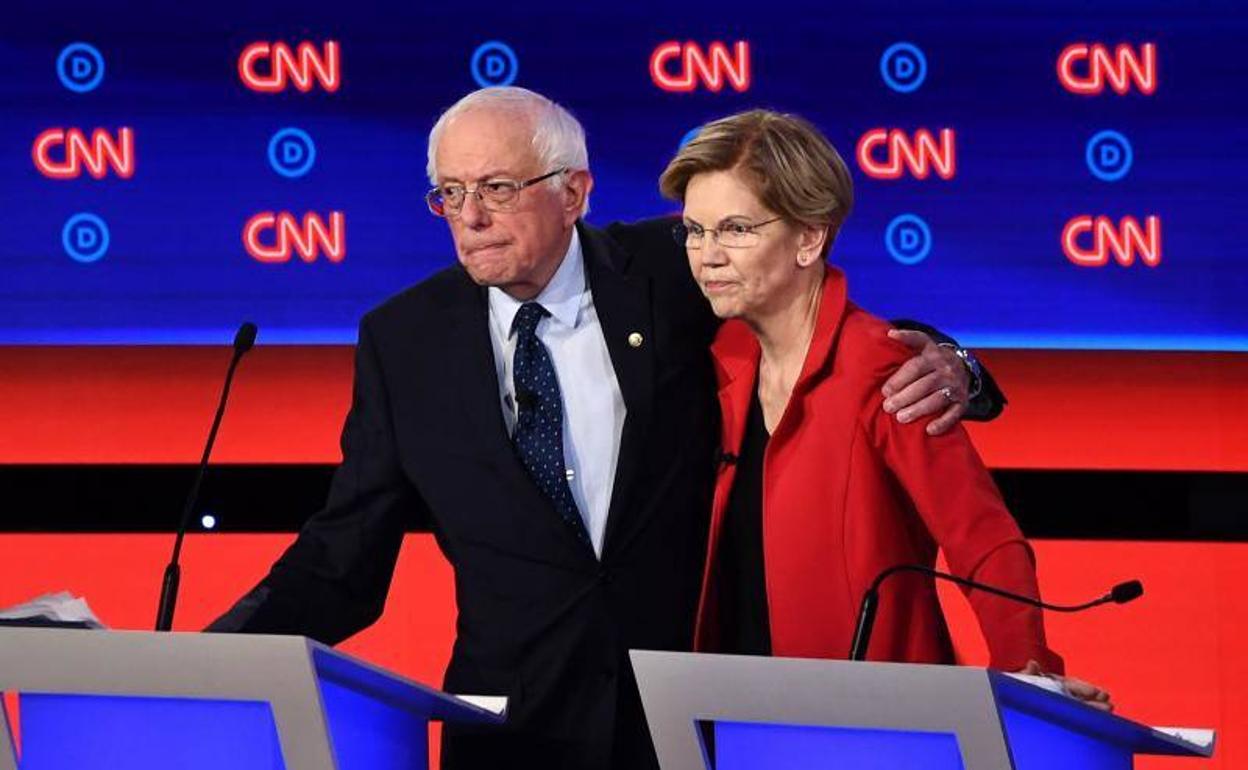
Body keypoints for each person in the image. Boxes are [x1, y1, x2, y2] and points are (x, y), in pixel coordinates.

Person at [208, 88, 1003, 769]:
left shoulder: (670, 266)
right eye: (448, 193)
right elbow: (343, 555)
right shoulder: (403, 340)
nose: (471, 218)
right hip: (512, 735)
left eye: (496, 187)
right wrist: (210, 658)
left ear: (574, 191)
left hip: (691, 724)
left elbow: (805, 311)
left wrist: (954, 364)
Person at [660, 109, 1111, 709]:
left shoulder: (882, 368)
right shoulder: (718, 358)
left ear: (809, 238)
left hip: (873, 721)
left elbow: (981, 535)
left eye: (736, 229)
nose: (706, 255)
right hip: (733, 715)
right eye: (695, 230)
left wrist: (1027, 667)